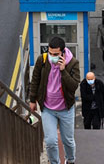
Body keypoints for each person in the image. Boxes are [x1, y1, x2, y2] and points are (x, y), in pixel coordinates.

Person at [28, 36, 81, 164]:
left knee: (67, 140)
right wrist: (32, 100)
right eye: (50, 53)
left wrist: (63, 71)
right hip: (48, 108)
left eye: (56, 54)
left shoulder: (73, 63)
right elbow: (35, 80)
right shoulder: (43, 60)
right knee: (51, 141)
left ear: (62, 52)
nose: (52, 56)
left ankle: (71, 160)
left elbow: (74, 86)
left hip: (65, 109)